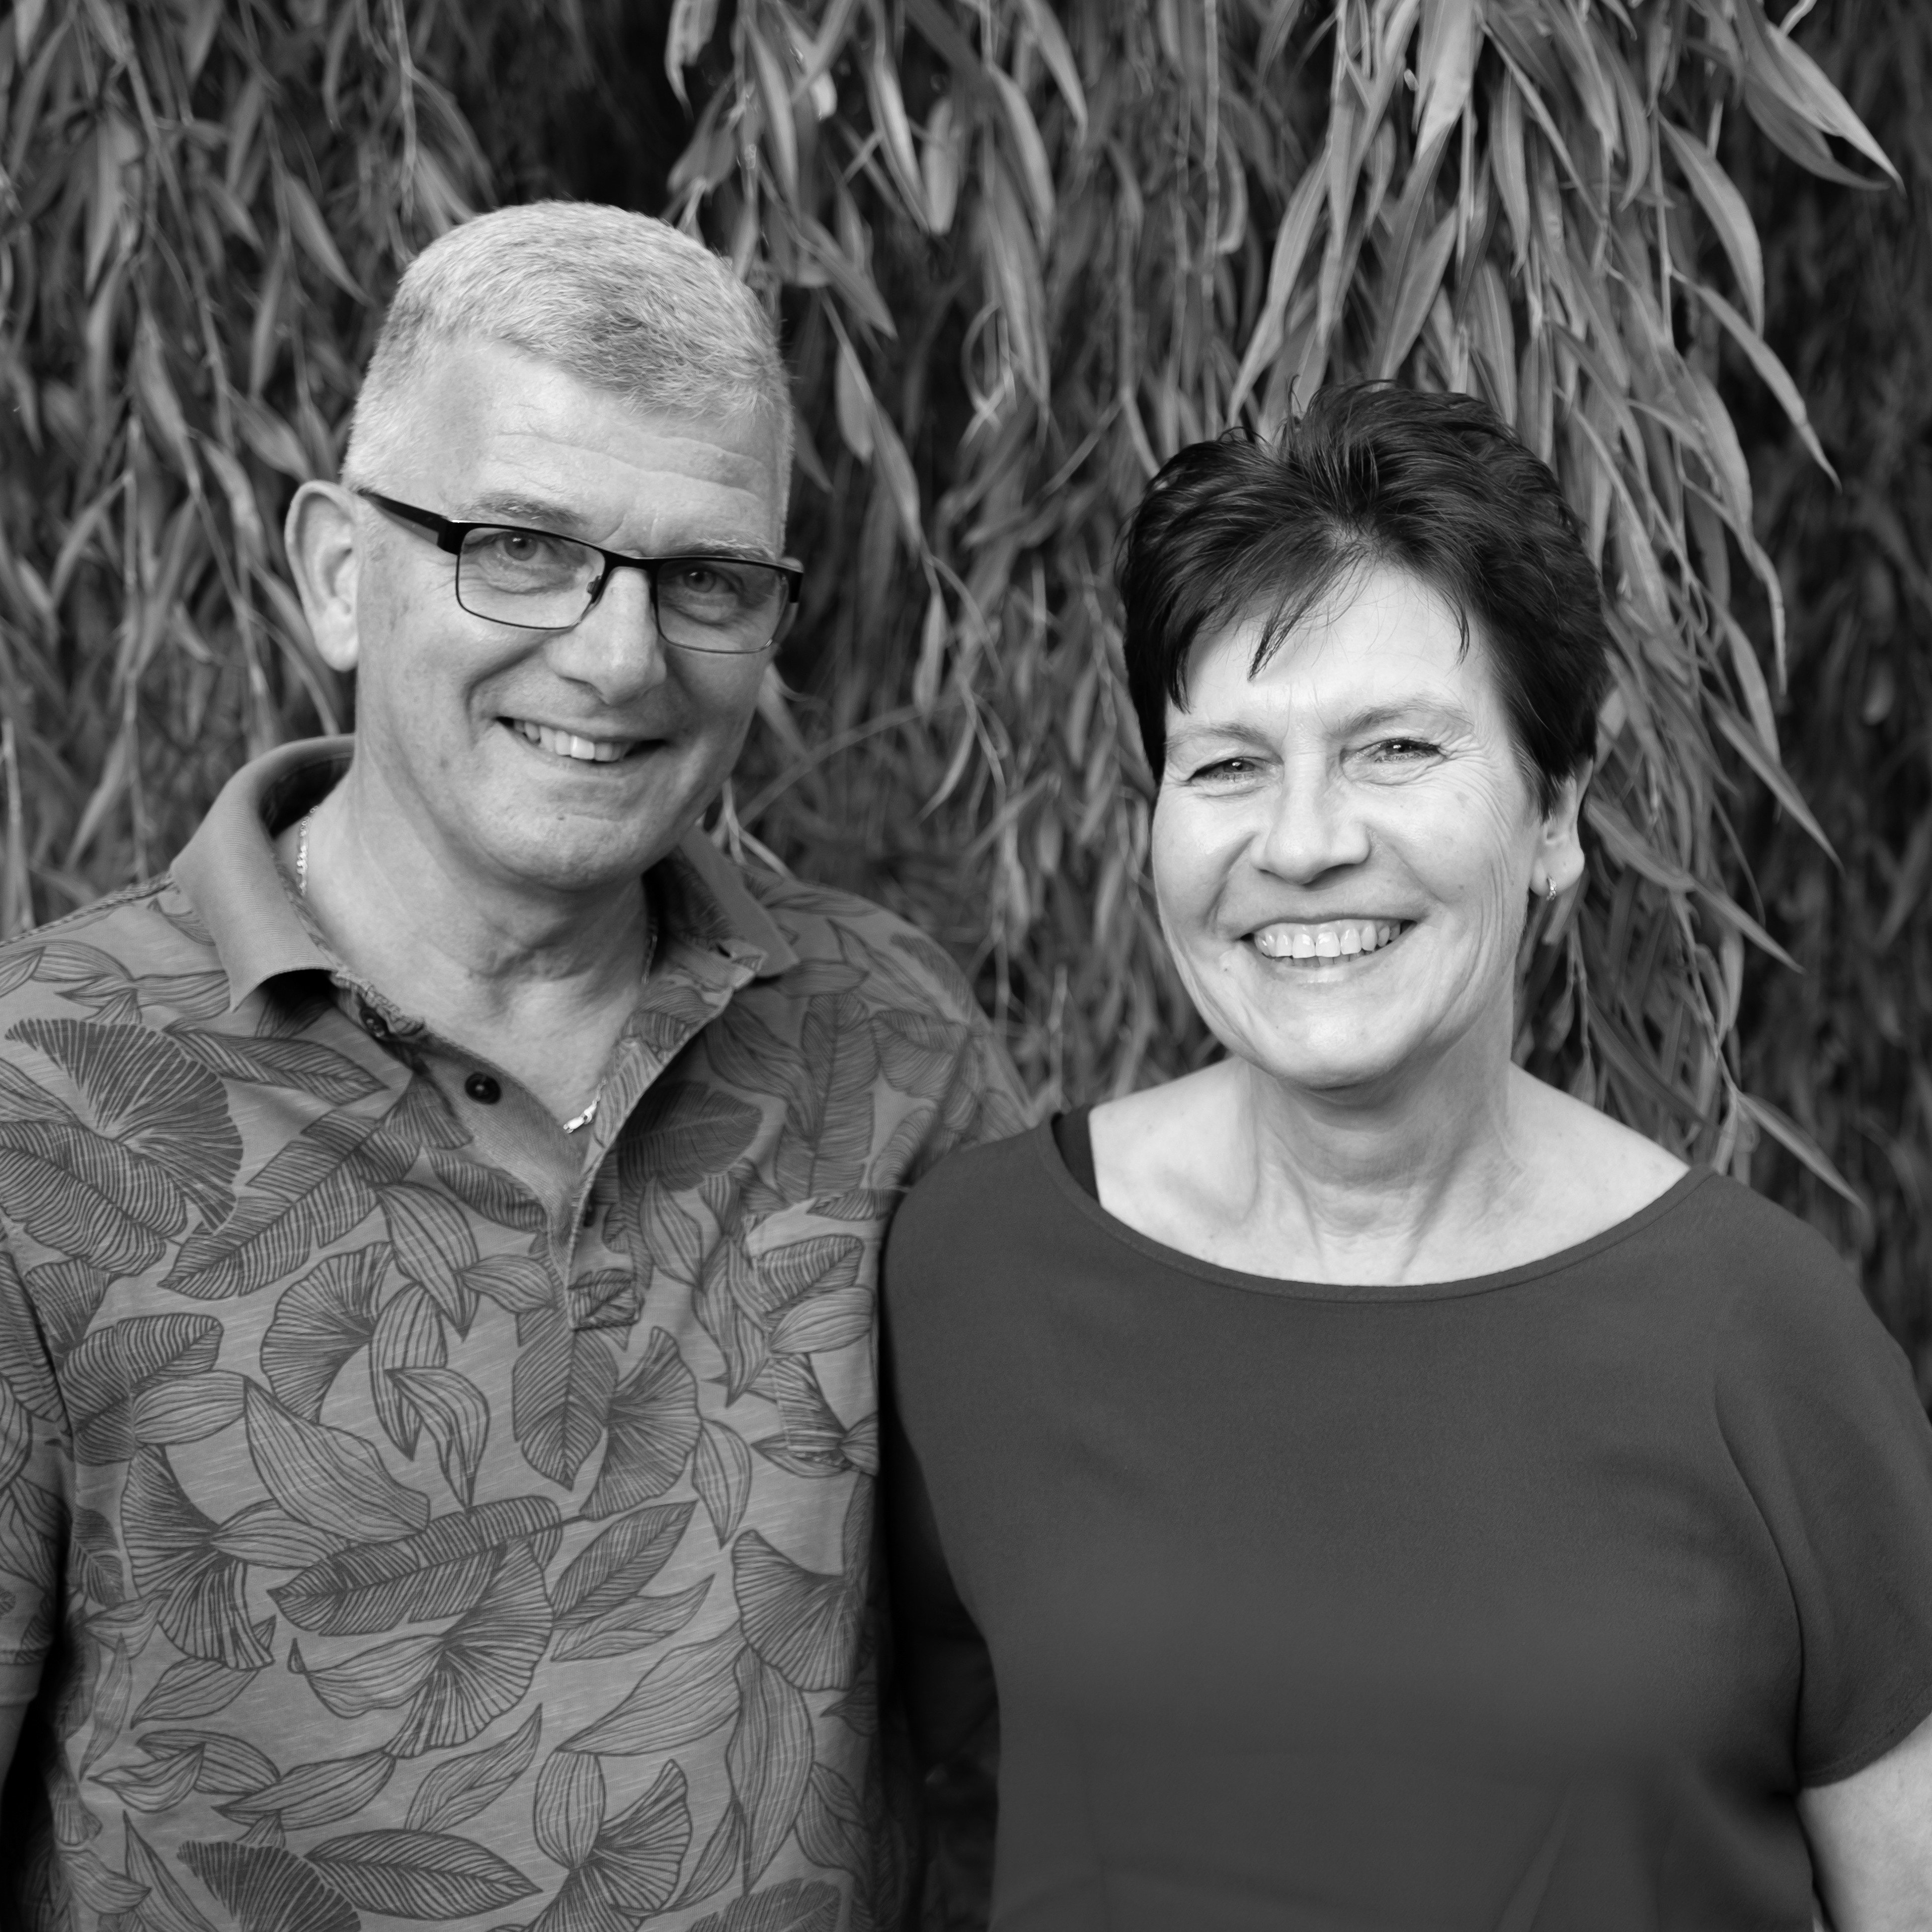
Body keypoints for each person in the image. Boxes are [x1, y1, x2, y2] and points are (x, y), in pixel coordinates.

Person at [0, 202, 1020, 1929]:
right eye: (524, 547)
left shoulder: (890, 1045)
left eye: (706, 579)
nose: (619, 658)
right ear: (339, 571)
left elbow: (1024, 1702)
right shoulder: (44, 1099)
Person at [884, 385, 1932, 1931]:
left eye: (1392, 748)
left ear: (1557, 808)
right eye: (1228, 765)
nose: (1304, 842)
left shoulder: (1765, 1335)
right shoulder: (969, 1276)